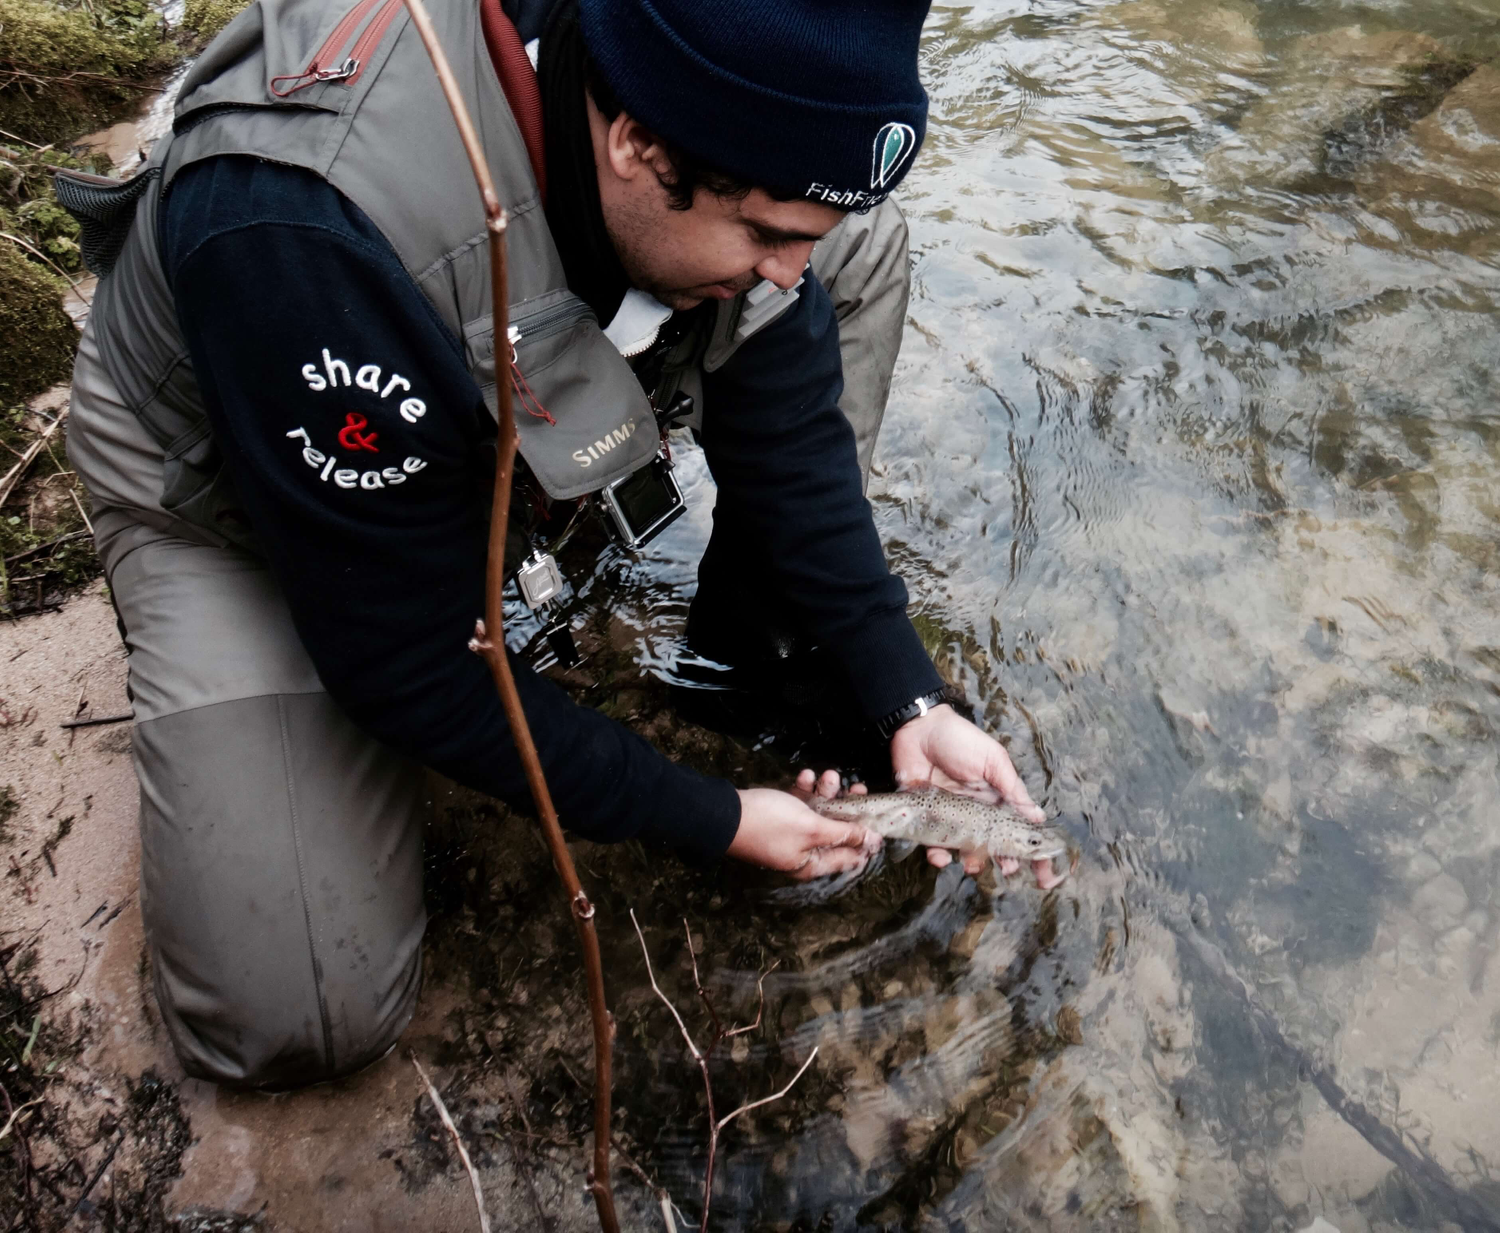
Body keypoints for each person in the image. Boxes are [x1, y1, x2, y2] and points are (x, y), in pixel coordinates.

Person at [58, 0, 1046, 1090]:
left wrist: (908, 693)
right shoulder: (299, 225)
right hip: (239, 502)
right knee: (297, 1016)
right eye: (765, 236)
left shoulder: (696, 100)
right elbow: (407, 664)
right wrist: (708, 816)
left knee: (850, 255)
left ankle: (753, 659)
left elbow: (792, 418)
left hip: (483, 372)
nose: (780, 269)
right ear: (638, 144)